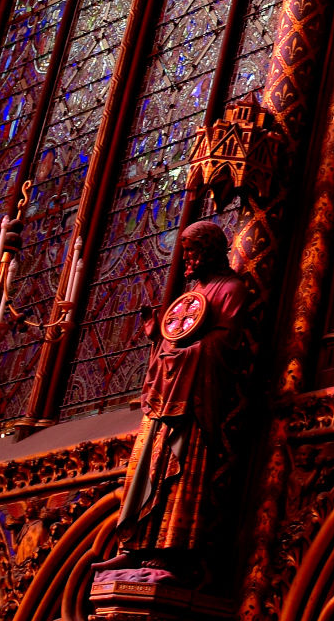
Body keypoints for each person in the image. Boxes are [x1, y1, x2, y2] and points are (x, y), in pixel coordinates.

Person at [95, 221, 250, 581]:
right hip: (164, 398)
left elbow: (224, 347)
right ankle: (132, 548)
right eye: (186, 252)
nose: (188, 260)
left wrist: (178, 355)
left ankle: (168, 551)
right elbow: (176, 339)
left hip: (192, 403)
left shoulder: (230, 289)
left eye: (194, 252)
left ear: (211, 250)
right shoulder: (192, 293)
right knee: (146, 470)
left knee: (179, 470)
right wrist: (158, 340)